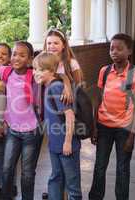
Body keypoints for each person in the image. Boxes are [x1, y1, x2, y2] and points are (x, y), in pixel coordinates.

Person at [89, 33, 135, 200]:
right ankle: (96, 197)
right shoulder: (104, 71)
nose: (114, 51)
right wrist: (94, 126)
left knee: (122, 168)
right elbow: (98, 99)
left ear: (129, 51)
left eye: (119, 49)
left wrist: (132, 136)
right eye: (111, 48)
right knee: (99, 167)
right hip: (104, 127)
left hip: (124, 129)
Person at [33, 52, 82, 200]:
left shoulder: (56, 88)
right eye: (35, 69)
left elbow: (70, 116)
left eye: (42, 70)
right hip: (55, 144)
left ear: (52, 71)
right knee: (56, 177)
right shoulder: (47, 86)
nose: (36, 73)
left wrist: (67, 142)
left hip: (66, 145)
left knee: (72, 185)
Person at [0, 41, 41, 200]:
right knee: (7, 168)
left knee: (27, 173)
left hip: (32, 130)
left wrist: (64, 82)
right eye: (14, 54)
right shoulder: (6, 72)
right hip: (12, 130)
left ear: (30, 59)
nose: (16, 58)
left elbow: (55, 74)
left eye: (22, 55)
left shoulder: (35, 76)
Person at [0, 43, 18, 199]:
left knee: (11, 155)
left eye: (4, 54)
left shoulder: (13, 73)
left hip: (13, 122)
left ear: (9, 57)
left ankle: (10, 184)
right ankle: (0, 185)